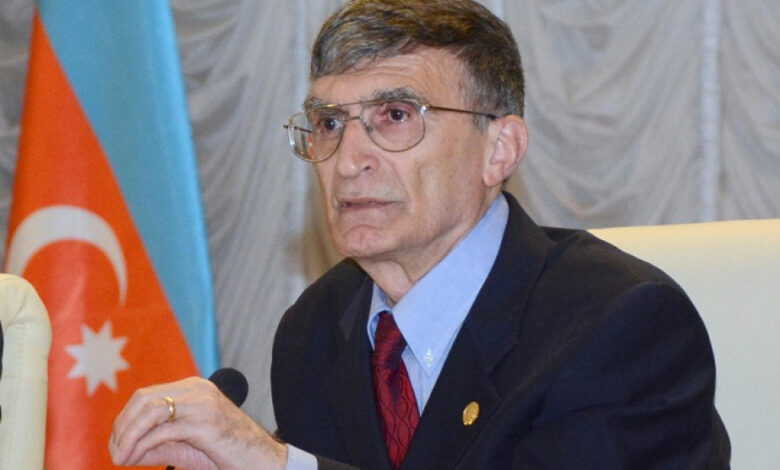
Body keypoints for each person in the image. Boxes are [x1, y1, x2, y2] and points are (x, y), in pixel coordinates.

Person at [110, 0, 730, 468]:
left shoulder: (618, 324)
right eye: (329, 123)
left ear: (500, 149)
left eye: (396, 116)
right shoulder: (316, 329)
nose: (349, 160)